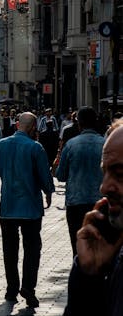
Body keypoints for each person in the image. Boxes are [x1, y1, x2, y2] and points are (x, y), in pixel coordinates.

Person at [63, 124, 123, 316]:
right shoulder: (119, 261)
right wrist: (89, 276)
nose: (105, 187)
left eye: (119, 174)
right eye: (105, 173)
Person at [0, 111, 55, 307]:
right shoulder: (35, 148)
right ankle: (28, 288)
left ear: (17, 125)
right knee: (32, 249)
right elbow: (44, 178)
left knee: (10, 250)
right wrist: (48, 192)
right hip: (30, 209)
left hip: (8, 208)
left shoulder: (1, 145)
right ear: (32, 128)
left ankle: (11, 288)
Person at [55, 105, 104, 254]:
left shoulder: (71, 145)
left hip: (75, 202)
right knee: (99, 248)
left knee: (78, 248)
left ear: (78, 123)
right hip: (100, 203)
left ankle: (80, 274)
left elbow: (61, 175)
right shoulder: (105, 144)